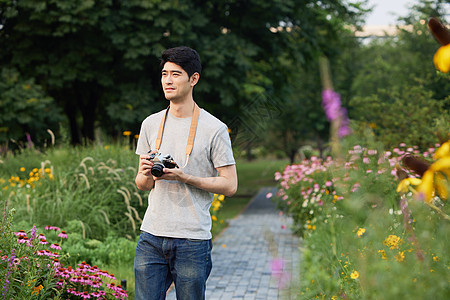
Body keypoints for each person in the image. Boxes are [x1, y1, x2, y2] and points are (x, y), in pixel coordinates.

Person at [134, 46, 238, 300]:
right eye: (164, 74)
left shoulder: (214, 128)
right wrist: (147, 173)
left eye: (176, 74)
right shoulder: (150, 123)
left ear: (193, 79)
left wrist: (184, 177)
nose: (168, 80)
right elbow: (141, 184)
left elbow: (230, 185)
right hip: (151, 236)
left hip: (192, 240)